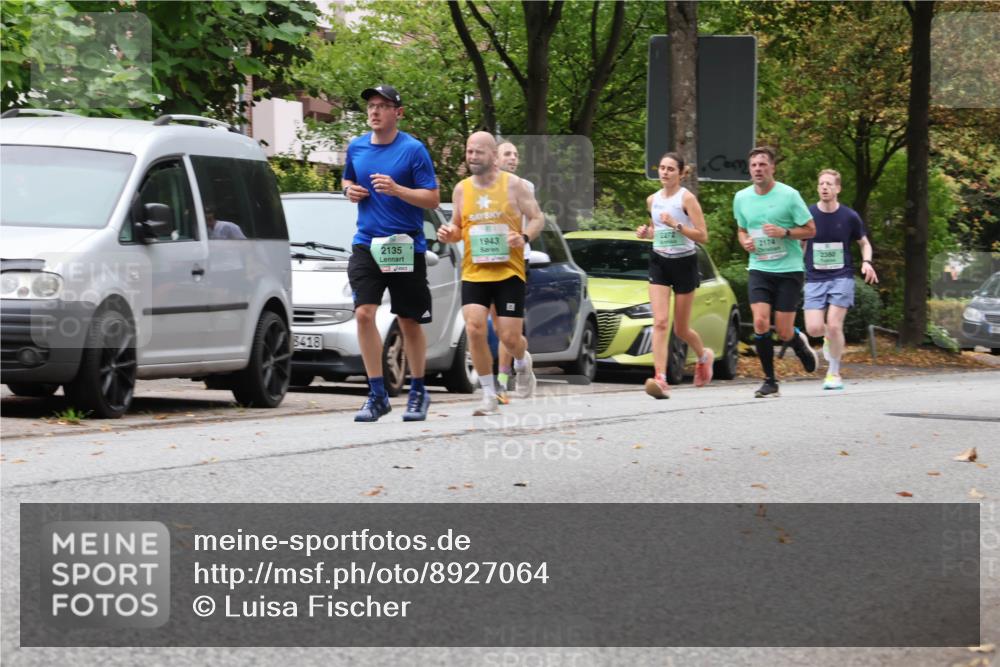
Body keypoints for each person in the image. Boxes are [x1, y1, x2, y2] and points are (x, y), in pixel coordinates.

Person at [342, 84, 440, 422]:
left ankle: (417, 390)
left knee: (408, 320)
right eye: (371, 105)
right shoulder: (356, 146)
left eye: (383, 105)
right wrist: (349, 191)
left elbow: (431, 198)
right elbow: (347, 181)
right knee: (364, 314)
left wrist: (398, 190)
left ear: (398, 112)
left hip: (403, 245)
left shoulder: (413, 150)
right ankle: (377, 393)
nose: (375, 111)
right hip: (367, 244)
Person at [437, 132, 544, 416]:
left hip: (509, 271)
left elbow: (537, 217)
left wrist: (524, 236)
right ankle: (488, 395)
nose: (472, 157)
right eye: (469, 151)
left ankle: (522, 362)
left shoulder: (515, 185)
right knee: (474, 327)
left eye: (478, 152)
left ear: (494, 156)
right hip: (474, 271)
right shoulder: (461, 189)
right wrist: (449, 234)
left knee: (508, 337)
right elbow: (457, 226)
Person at [734, 146, 818, 398]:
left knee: (783, 330)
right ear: (749, 170)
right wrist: (744, 241)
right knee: (760, 321)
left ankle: (796, 339)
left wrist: (786, 233)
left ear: (772, 168)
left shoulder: (789, 196)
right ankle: (770, 380)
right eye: (754, 165)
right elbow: (741, 229)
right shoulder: (741, 198)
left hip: (789, 269)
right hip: (760, 267)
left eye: (763, 164)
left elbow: (811, 229)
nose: (758, 169)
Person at [635, 152, 714, 399]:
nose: (665, 172)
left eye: (670, 169)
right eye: (662, 168)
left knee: (680, 329)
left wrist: (676, 225)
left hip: (684, 263)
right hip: (659, 261)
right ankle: (660, 378)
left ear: (680, 173)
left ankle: (703, 356)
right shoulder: (652, 200)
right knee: (659, 322)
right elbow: (657, 230)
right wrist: (646, 232)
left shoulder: (686, 199)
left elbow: (703, 235)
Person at [803, 169, 878, 390]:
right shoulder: (808, 215)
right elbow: (801, 243)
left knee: (835, 325)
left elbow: (864, 243)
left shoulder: (849, 216)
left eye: (829, 184)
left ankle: (833, 373)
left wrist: (867, 262)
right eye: (821, 184)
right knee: (814, 329)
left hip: (841, 276)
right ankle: (828, 338)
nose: (824, 187)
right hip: (814, 277)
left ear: (838, 188)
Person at [494, 140, 534, 404]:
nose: (513, 158)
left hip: (516, 261)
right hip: (488, 261)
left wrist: (522, 237)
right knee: (499, 328)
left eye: (516, 154)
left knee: (507, 327)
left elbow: (532, 220)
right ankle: (521, 358)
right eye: (507, 153)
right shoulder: (481, 187)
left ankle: (503, 379)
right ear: (495, 159)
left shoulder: (524, 186)